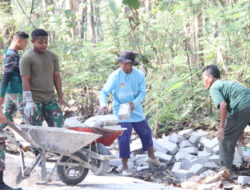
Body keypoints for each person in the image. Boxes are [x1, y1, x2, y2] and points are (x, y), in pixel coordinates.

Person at [99, 50, 161, 176]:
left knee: (146, 132)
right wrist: (103, 104)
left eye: (128, 64)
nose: (125, 66)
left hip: (135, 108)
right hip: (121, 109)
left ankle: (151, 157)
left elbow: (142, 93)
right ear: (120, 63)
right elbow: (104, 92)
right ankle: (125, 166)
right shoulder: (115, 76)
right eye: (123, 63)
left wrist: (134, 103)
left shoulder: (139, 76)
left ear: (132, 64)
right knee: (124, 137)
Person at [202, 65, 250, 172]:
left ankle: (225, 172)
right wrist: (240, 135)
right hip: (246, 104)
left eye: (203, 78)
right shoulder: (227, 84)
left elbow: (223, 105)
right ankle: (247, 156)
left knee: (224, 139)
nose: (203, 81)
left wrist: (221, 128)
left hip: (241, 107)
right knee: (240, 142)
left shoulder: (214, 87)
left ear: (210, 77)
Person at [20, 29, 68, 127]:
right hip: (34, 100)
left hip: (50, 98)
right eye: (40, 42)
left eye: (46, 42)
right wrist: (29, 101)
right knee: (34, 130)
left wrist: (60, 96)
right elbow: (25, 79)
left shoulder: (52, 56)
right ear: (33, 42)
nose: (44, 45)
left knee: (58, 125)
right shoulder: (27, 57)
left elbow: (57, 77)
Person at [0, 31, 29, 128]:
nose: (26, 45)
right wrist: (1, 94)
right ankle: (34, 140)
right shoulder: (12, 55)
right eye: (25, 42)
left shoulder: (9, 53)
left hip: (11, 90)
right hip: (16, 92)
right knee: (29, 115)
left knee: (6, 116)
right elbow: (6, 75)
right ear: (18, 41)